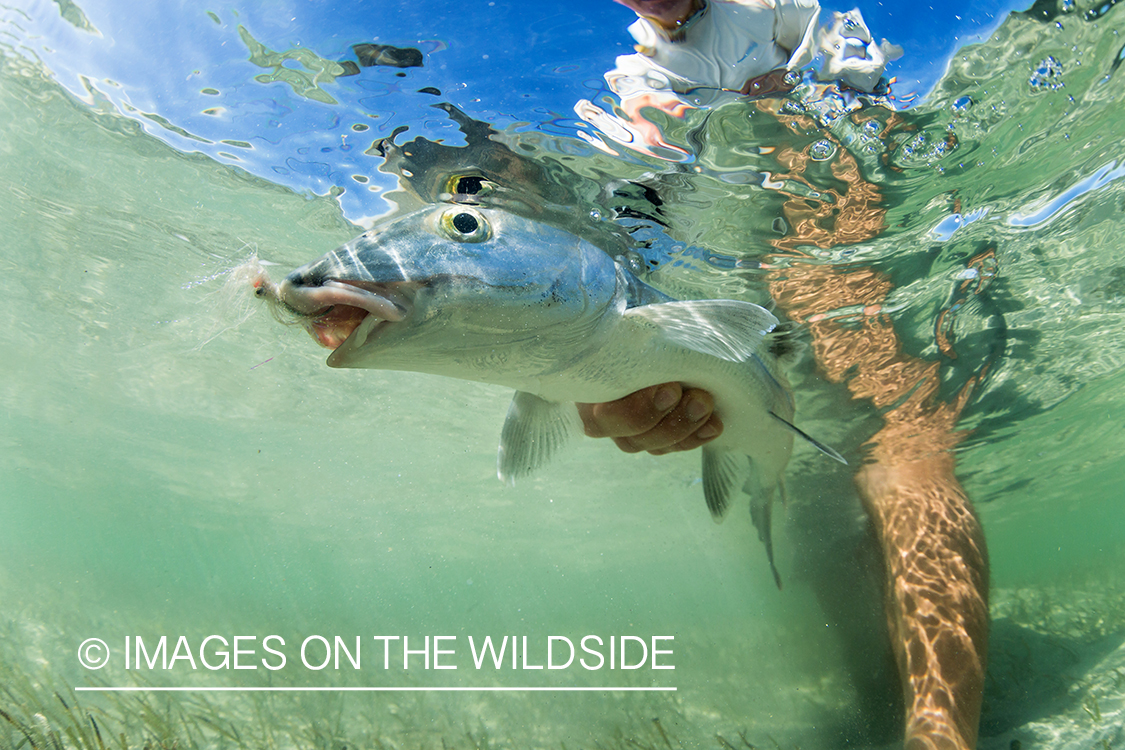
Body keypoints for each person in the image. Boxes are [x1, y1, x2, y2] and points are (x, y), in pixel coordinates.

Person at [578, 3, 989, 749]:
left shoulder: (772, 8)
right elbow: (633, 197)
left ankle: (940, 738)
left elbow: (860, 77)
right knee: (827, 494)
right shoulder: (634, 79)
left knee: (901, 445)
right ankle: (880, 676)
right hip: (722, 259)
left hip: (823, 222)